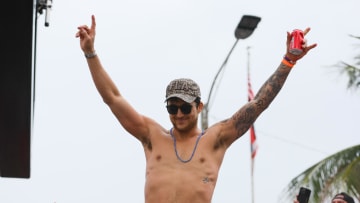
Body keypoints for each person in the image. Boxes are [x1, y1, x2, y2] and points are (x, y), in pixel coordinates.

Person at [76, 15, 317, 203]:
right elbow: (113, 98)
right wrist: (90, 53)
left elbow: (258, 105)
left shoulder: (216, 139)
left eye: (184, 107)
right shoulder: (151, 136)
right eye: (172, 107)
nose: (178, 114)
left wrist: (288, 61)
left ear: (199, 106)